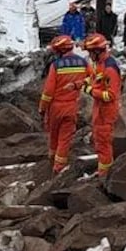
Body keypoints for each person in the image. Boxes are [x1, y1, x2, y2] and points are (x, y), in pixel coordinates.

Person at [38, 35, 88, 174]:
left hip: (55, 107)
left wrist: (42, 108)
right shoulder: (83, 63)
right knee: (65, 138)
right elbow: (91, 79)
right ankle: (59, 167)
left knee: (54, 135)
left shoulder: (56, 66)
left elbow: (48, 91)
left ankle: (53, 161)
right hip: (71, 106)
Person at [83, 33, 122, 176]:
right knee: (100, 144)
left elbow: (110, 95)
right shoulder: (100, 64)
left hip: (106, 112)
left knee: (103, 145)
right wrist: (86, 83)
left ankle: (104, 175)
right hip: (100, 111)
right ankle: (103, 172)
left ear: (98, 51)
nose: (90, 55)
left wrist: (91, 91)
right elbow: (96, 79)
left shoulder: (110, 68)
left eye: (91, 52)